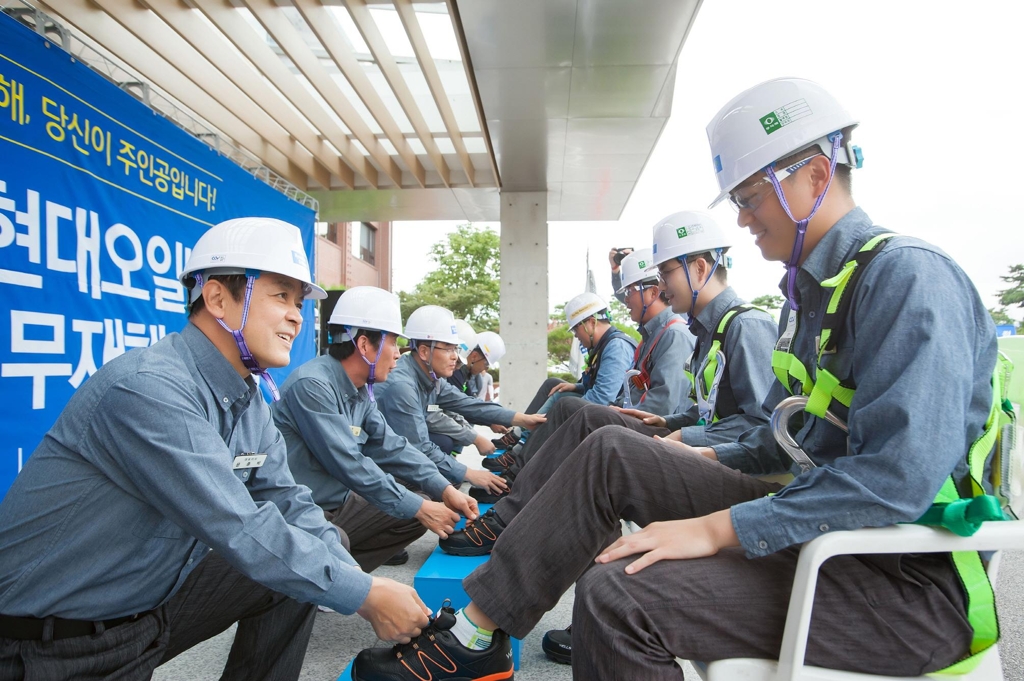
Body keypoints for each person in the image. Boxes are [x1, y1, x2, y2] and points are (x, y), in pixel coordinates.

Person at [351, 77, 996, 680]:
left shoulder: (907, 280)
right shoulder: (811, 298)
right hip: (823, 529)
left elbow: (897, 478)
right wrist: (674, 446)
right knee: (609, 449)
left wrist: (718, 527)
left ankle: (477, 627)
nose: (742, 221)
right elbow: (777, 442)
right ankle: (475, 637)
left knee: (616, 592)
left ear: (817, 177)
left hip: (901, 580)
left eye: (749, 199)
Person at [0, 218, 432, 681]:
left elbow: (286, 500)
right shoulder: (150, 388)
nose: (296, 315)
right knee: (289, 556)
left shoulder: (248, 399)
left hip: (147, 612)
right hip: (49, 644)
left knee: (315, 553)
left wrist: (363, 582)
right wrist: (364, 595)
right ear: (217, 298)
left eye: (300, 302)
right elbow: (237, 525)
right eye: (281, 296)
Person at [273, 286, 479, 573]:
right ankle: (328, 577)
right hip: (305, 508)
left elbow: (391, 445)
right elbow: (349, 464)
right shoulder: (312, 386)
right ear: (365, 345)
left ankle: (338, 572)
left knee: (415, 508)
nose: (398, 354)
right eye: (393, 343)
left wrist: (443, 488)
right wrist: (421, 508)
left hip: (340, 501)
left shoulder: (361, 389)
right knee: (415, 507)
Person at [372, 305, 545, 503]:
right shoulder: (403, 386)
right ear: (423, 352)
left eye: (455, 348)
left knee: (447, 482)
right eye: (448, 348)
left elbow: (467, 404)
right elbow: (420, 447)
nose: (455, 356)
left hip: (395, 457)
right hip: (380, 465)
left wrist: (520, 419)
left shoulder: (431, 378)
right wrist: (469, 473)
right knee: (434, 493)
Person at [528, 292, 637, 416]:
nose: (575, 335)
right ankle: (522, 428)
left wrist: (554, 413)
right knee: (553, 385)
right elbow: (599, 385)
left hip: (613, 415)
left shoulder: (617, 347)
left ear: (591, 322)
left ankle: (521, 433)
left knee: (561, 401)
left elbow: (601, 399)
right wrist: (577, 387)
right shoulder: (603, 345)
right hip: (605, 408)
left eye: (575, 329)